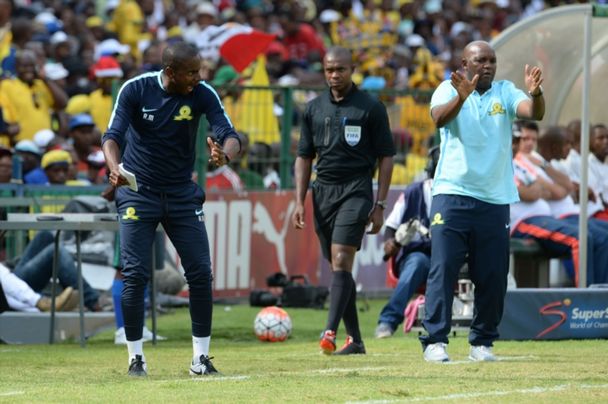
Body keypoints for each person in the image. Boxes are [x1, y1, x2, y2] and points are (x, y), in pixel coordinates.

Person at [102, 41, 240, 377]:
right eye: (191, 72)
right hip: (138, 193)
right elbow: (112, 136)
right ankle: (136, 359)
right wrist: (114, 166)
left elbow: (229, 134)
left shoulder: (203, 92)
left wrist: (226, 153)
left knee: (200, 274)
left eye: (199, 70)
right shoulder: (136, 89)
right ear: (170, 72)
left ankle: (200, 359)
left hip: (181, 194)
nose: (198, 77)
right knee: (135, 274)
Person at [421, 40, 545, 363]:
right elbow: (438, 119)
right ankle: (435, 341)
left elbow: (533, 112)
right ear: (465, 64)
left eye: (492, 60)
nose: (488, 65)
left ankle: (482, 343)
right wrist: (461, 98)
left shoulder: (505, 91)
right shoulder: (448, 90)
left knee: (492, 273)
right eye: (480, 60)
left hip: (494, 198)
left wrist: (536, 94)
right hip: (452, 193)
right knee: (444, 267)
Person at [291, 46, 395, 355]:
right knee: (340, 268)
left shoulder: (371, 108)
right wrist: (299, 200)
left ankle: (329, 331)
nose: (334, 75)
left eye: (341, 70)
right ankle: (357, 341)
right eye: (329, 70)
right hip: (322, 192)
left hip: (356, 189)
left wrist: (380, 205)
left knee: (340, 259)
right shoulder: (313, 109)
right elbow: (304, 157)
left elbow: (386, 158)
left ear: (352, 70)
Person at [375, 146, 439, 338]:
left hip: (451, 255)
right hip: (420, 254)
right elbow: (390, 228)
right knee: (418, 262)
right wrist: (391, 243)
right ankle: (388, 321)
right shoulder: (413, 192)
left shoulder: (461, 193)